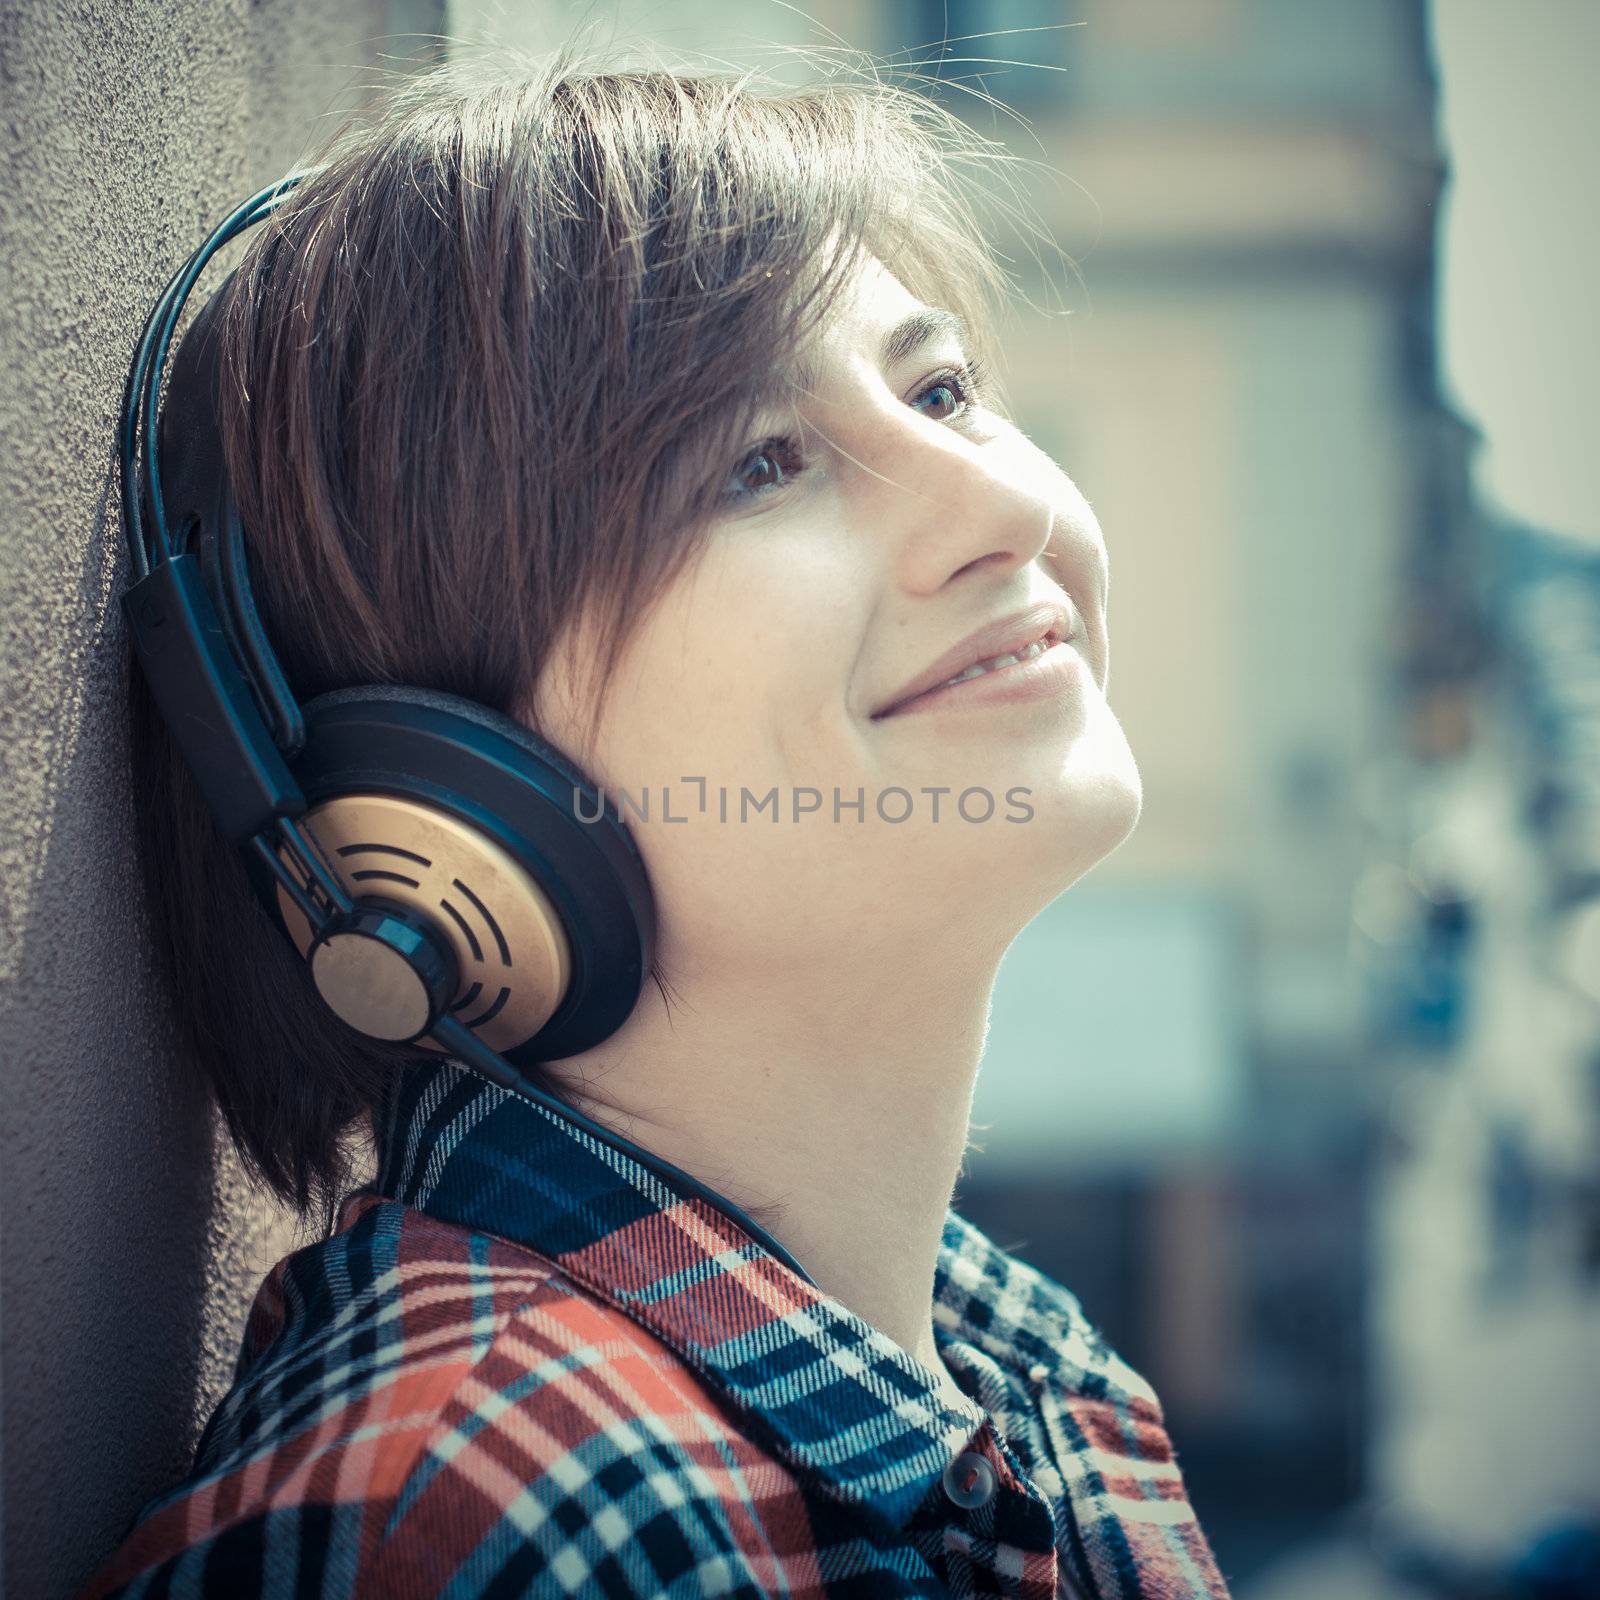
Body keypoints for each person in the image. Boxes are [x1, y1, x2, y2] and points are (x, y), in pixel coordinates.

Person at [84, 51, 1232, 1600]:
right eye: (759, 465)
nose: (1003, 506)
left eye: (942, 389)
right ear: (447, 794)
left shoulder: (1048, 1389)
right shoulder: (471, 1513)